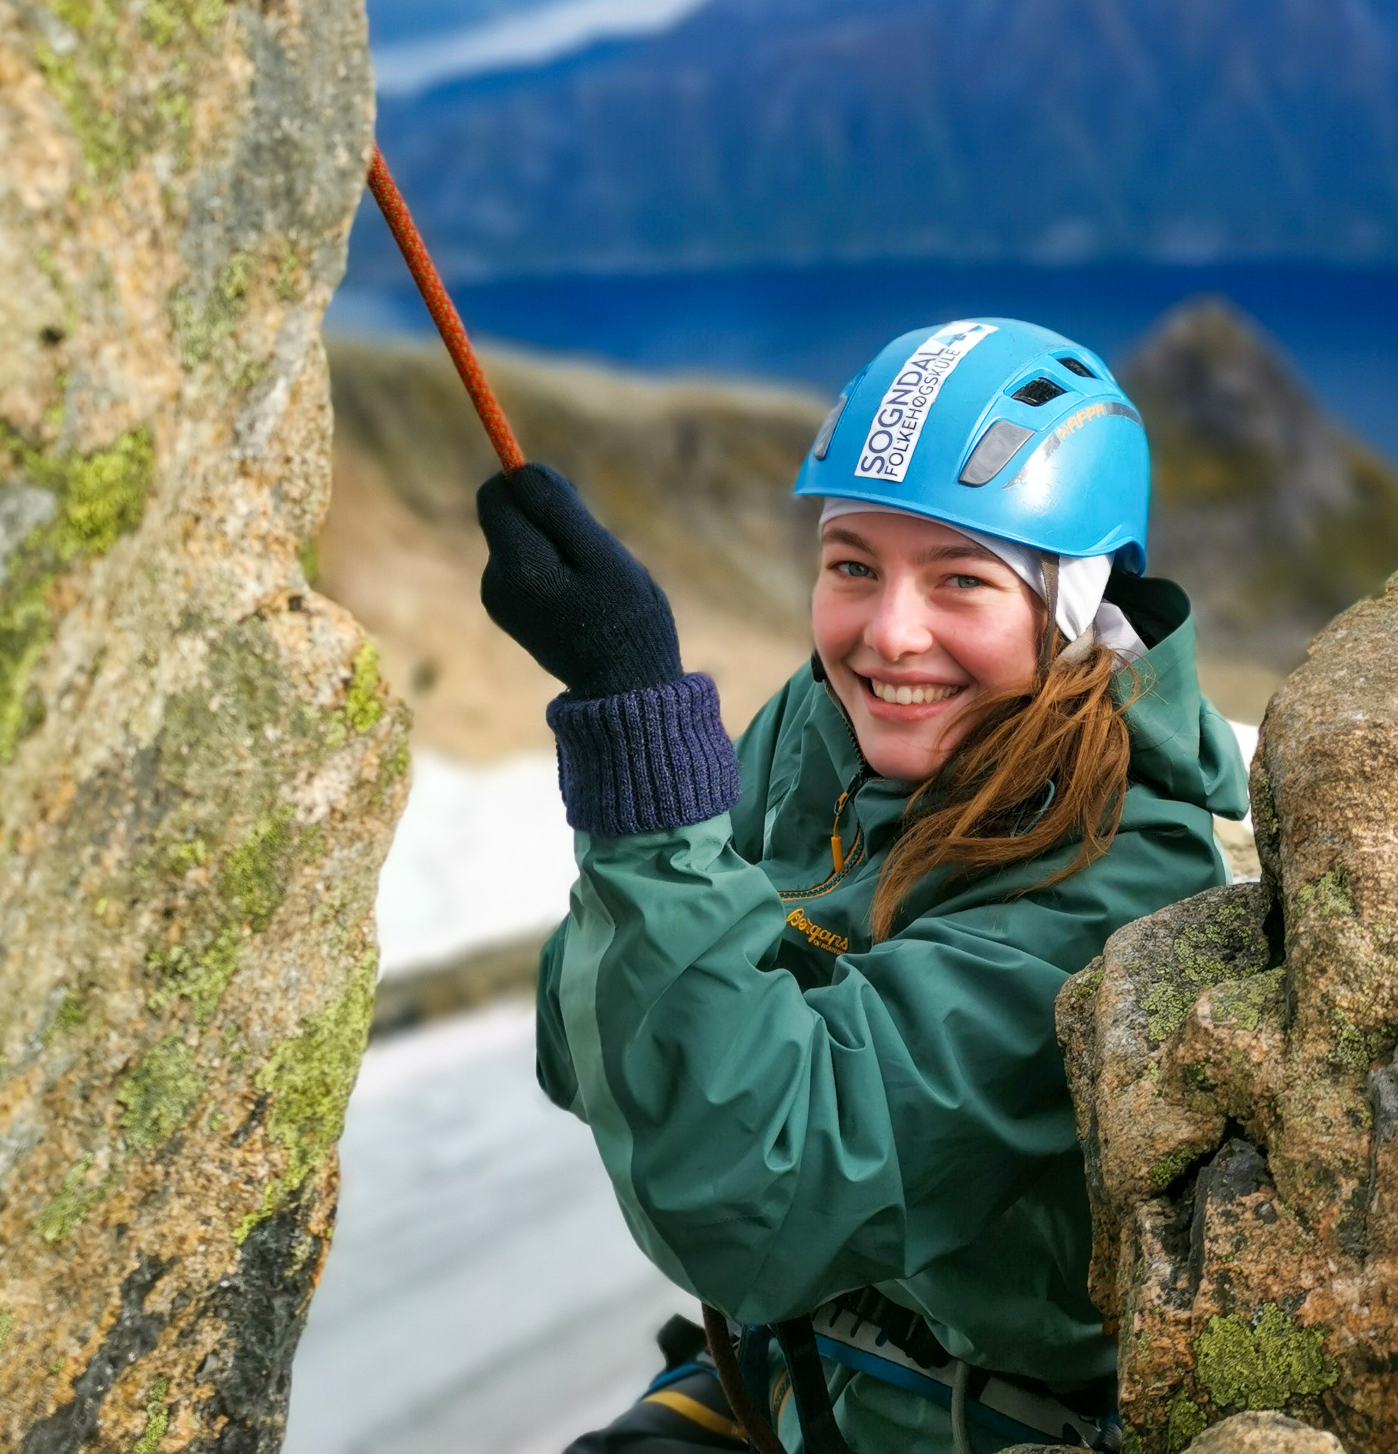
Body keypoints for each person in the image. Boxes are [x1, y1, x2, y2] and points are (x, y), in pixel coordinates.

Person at [476, 318, 1248, 1454]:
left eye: (962, 579)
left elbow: (755, 1187)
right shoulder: (826, 726)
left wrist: (644, 760)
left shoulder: (1122, 879)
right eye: (852, 564)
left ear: (1075, 606)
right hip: (794, 1367)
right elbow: (577, 1040)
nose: (890, 634)